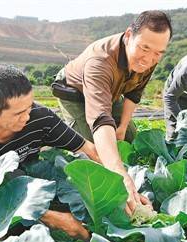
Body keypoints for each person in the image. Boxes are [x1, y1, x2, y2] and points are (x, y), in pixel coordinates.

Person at [0, 65, 100, 241]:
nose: (27, 117)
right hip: (0, 207)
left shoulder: (40, 116)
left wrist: (125, 186)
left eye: (29, 107)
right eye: (19, 113)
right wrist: (55, 219)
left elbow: (88, 150)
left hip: (36, 188)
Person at [52, 10, 172, 214]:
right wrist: (119, 175)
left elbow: (134, 93)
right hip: (73, 92)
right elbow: (100, 118)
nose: (150, 58)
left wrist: (123, 126)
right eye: (144, 48)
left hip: (111, 91)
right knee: (94, 152)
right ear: (128, 36)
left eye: (158, 53)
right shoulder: (100, 61)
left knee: (130, 137)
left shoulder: (149, 58)